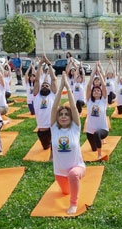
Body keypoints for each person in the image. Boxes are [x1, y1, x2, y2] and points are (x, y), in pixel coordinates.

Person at [50, 76, 86, 215]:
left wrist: (68, 88)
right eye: (61, 115)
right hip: (59, 173)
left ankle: (73, 203)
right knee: (66, 191)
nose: (63, 116)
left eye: (66, 114)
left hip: (77, 168)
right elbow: (54, 108)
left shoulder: (75, 128)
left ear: (71, 118)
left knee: (73, 174)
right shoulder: (54, 129)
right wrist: (61, 88)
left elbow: (73, 107)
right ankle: (73, 183)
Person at [33, 56, 58, 151]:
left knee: (54, 147)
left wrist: (49, 64)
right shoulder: (36, 96)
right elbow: (36, 80)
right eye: (43, 85)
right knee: (45, 147)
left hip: (53, 126)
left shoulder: (52, 94)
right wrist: (39, 65)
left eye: (47, 85)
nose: (44, 86)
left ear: (50, 87)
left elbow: (54, 79)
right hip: (42, 129)